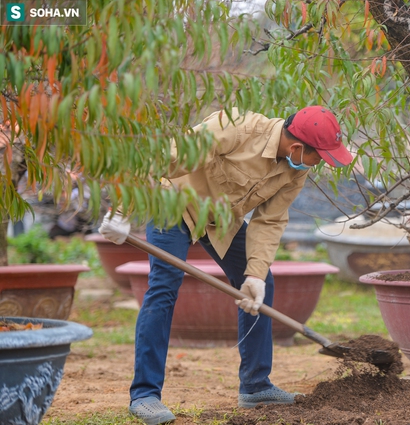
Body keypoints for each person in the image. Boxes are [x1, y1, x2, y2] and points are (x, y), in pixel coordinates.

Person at [99, 106, 353, 425]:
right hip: (172, 202)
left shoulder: (296, 169)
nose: (321, 164)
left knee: (264, 284)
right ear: (298, 147)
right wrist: (123, 209)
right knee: (164, 287)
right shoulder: (236, 127)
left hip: (219, 219)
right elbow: (164, 158)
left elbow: (270, 221)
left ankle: (255, 386)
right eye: (322, 156)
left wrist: (255, 276)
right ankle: (145, 395)